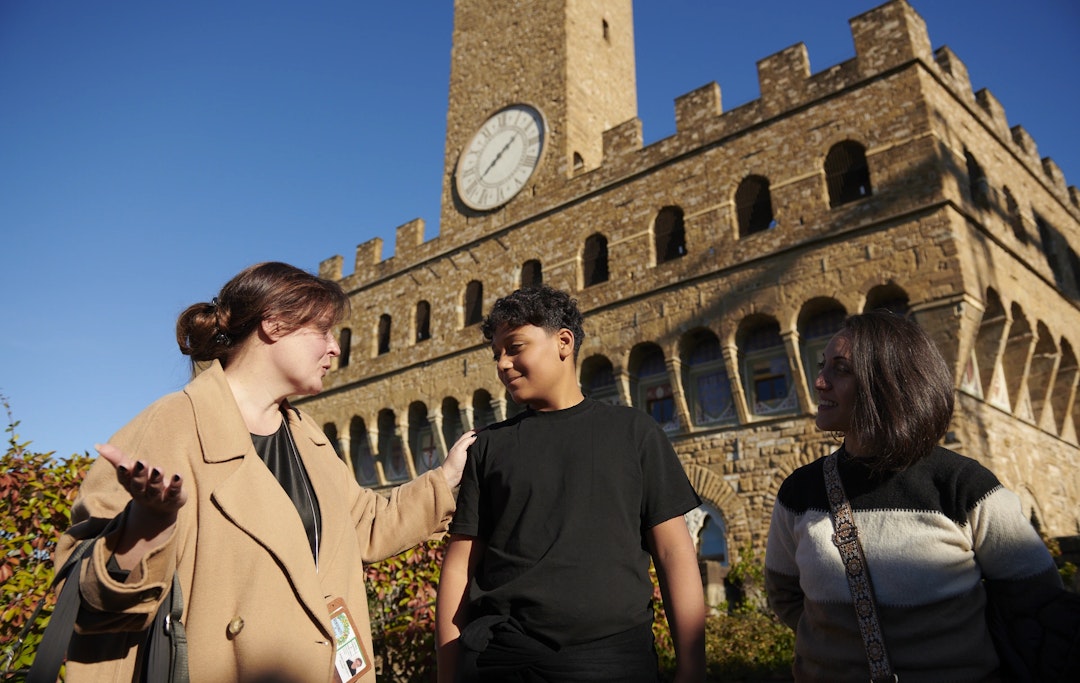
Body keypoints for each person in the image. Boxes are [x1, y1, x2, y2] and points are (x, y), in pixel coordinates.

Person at [56, 261, 476, 682]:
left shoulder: (306, 435)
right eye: (323, 331)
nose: (335, 348)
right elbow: (86, 589)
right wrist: (148, 525)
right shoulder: (173, 424)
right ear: (273, 325)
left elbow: (365, 525)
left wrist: (445, 478)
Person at [764, 310, 1063, 681]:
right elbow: (785, 595)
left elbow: (1037, 599)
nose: (819, 381)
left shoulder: (963, 486)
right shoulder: (800, 492)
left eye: (841, 369)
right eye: (822, 365)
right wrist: (842, 649)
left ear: (888, 382)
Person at [435, 285, 706, 683]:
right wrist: (447, 675)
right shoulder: (489, 446)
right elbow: (460, 565)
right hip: (503, 661)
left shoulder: (634, 433)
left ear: (563, 342)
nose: (503, 364)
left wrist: (692, 668)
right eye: (496, 354)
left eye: (515, 347)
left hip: (612, 663)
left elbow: (674, 552)